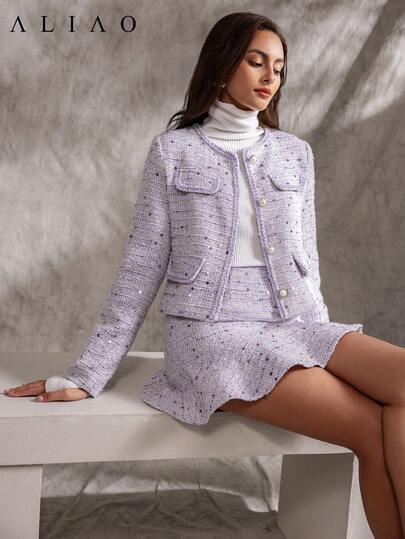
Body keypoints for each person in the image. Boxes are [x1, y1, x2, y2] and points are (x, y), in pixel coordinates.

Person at [4, 12, 405, 538]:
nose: (270, 76)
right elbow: (142, 264)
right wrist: (89, 373)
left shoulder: (295, 154)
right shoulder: (174, 152)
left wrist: (326, 349)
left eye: (279, 67)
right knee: (368, 429)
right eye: (256, 61)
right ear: (222, 65)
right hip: (210, 337)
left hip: (295, 325)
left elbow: (306, 258)